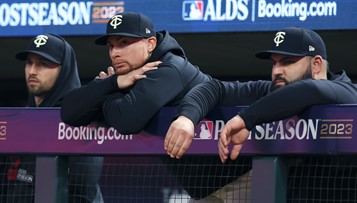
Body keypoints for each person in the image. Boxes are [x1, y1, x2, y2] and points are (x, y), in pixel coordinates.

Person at [60, 11, 250, 202]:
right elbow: (69, 112)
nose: (115, 52)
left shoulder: (170, 67)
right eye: (111, 46)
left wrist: (108, 93)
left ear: (150, 43)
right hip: (207, 187)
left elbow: (127, 120)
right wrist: (113, 84)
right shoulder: (129, 74)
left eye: (124, 43)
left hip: (243, 175)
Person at [165, 26, 357, 202]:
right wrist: (186, 117)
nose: (276, 71)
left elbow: (311, 90)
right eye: (274, 63)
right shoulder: (273, 90)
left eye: (287, 62)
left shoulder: (347, 92)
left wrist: (245, 119)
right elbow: (215, 88)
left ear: (316, 64)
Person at [8, 33, 104, 203]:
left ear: (63, 70)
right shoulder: (20, 119)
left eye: (43, 64)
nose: (32, 71)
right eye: (29, 63)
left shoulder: (80, 117)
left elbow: (82, 194)